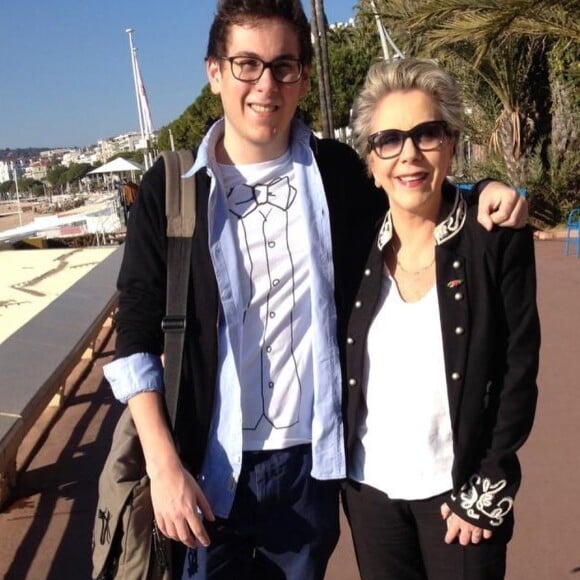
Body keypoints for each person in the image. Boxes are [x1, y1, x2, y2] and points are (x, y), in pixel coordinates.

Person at [103, 2, 527, 578]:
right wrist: (162, 465)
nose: (266, 85)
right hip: (205, 465)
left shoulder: (336, 174)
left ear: (302, 76)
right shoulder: (171, 190)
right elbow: (134, 336)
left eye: (284, 66)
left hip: (313, 468)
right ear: (215, 72)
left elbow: (410, 179)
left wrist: (485, 191)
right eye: (247, 64)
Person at [342, 58, 540, 580]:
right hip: (370, 493)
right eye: (388, 140)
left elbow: (519, 368)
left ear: (450, 144)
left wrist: (491, 484)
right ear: (371, 160)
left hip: (461, 495)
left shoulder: (493, 240)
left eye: (426, 134)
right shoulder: (353, 246)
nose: (409, 154)